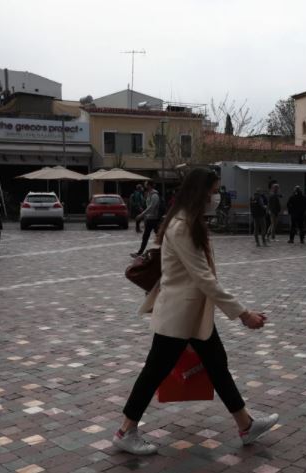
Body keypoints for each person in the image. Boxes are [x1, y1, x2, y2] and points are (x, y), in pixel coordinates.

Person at [113, 168, 278, 455]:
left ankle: (246, 425)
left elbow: (202, 277)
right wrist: (243, 314)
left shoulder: (189, 222)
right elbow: (204, 278)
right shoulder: (181, 227)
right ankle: (125, 431)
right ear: (199, 192)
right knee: (154, 372)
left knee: (217, 365)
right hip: (178, 317)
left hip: (191, 316)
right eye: (212, 192)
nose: (215, 198)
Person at [133, 181, 161, 257]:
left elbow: (152, 207)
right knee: (147, 236)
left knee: (158, 235)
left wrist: (142, 214)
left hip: (154, 219)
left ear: (149, 185)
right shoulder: (149, 194)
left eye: (146, 184)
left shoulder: (155, 195)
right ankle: (140, 252)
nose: (144, 186)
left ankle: (166, 249)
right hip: (149, 218)